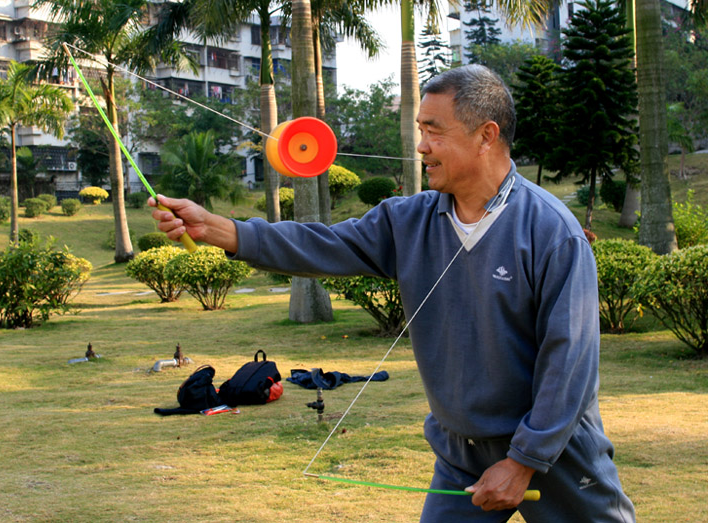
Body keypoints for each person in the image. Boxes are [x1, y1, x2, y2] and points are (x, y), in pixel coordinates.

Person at [150, 65, 636, 522]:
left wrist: (525, 459)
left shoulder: (552, 232)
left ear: (487, 135)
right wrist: (217, 228)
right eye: (421, 130)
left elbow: (569, 360)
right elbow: (324, 244)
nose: (421, 146)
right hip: (461, 449)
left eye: (434, 130)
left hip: (554, 450)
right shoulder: (408, 220)